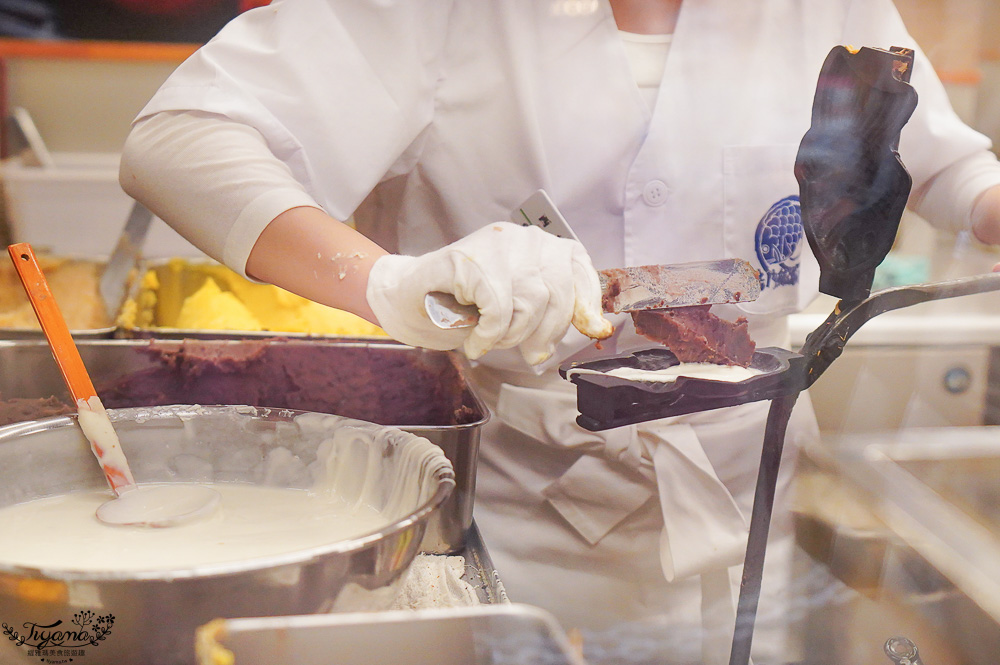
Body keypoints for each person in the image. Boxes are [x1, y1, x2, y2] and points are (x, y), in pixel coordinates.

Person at [119, 1, 1000, 662]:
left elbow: (939, 159)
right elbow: (180, 139)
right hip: (519, 527)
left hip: (761, 518)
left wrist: (989, 201)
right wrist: (388, 284)